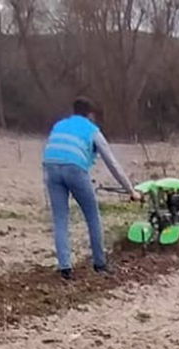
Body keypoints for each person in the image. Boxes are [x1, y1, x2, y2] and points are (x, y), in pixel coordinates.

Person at [42, 97, 140, 280]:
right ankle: (99, 263)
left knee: (60, 219)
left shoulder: (60, 124)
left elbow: (53, 148)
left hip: (50, 167)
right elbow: (112, 163)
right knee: (92, 216)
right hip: (75, 168)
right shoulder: (92, 130)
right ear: (90, 114)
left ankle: (64, 268)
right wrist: (131, 190)